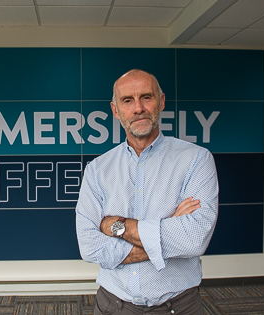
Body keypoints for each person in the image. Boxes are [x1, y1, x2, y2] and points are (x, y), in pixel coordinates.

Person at [75, 69, 218, 315]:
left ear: (161, 101)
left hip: (179, 307)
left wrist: (115, 226)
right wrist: (169, 228)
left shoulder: (196, 160)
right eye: (127, 100)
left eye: (146, 97)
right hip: (113, 306)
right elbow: (89, 246)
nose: (138, 108)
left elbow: (194, 239)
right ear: (115, 110)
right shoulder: (97, 170)